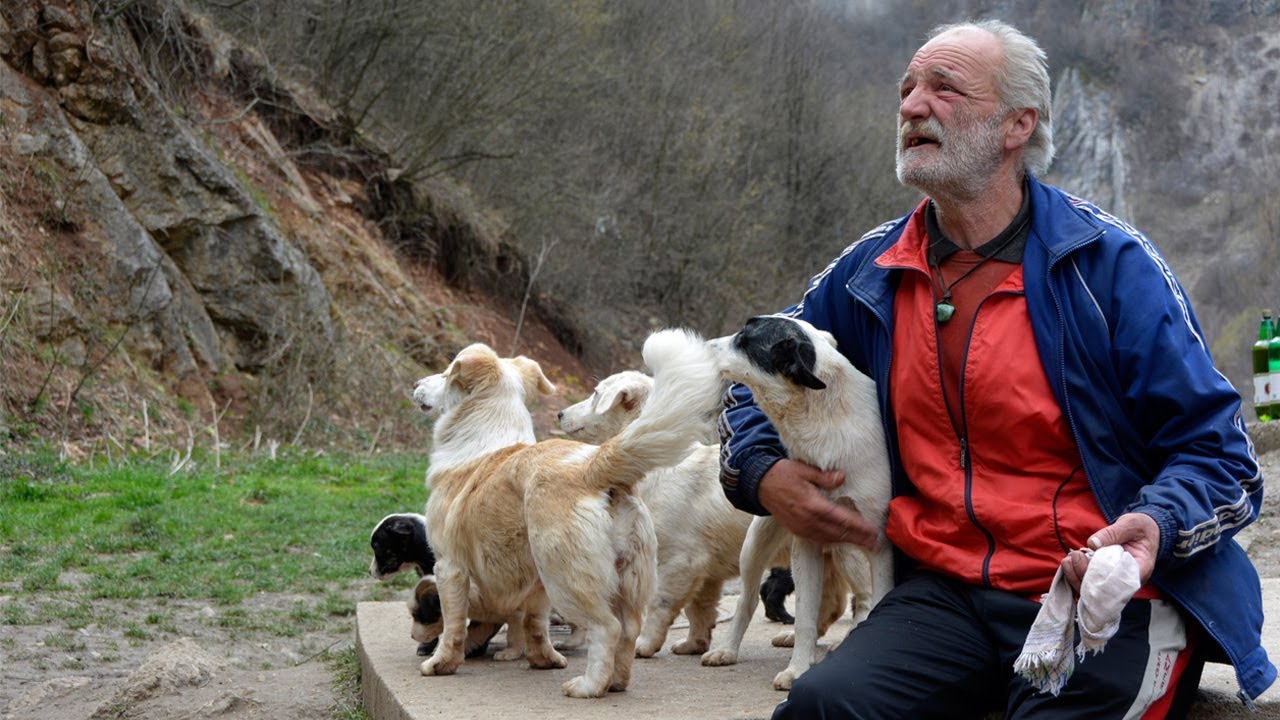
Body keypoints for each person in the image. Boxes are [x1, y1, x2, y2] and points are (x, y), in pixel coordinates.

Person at [718, 19, 1273, 720]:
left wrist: (1156, 524)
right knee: (821, 707)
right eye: (907, 89)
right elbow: (745, 367)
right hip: (942, 593)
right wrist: (765, 474)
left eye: (943, 88)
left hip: (1106, 599)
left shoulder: (1111, 268)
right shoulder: (872, 273)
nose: (912, 106)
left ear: (1017, 126)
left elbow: (1222, 455)